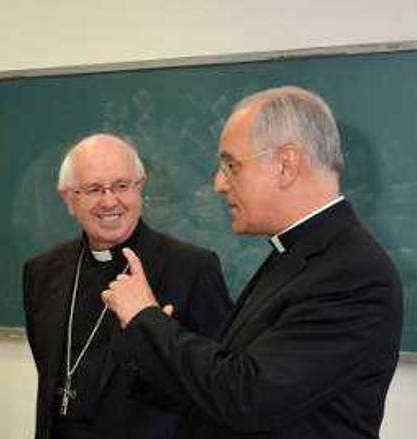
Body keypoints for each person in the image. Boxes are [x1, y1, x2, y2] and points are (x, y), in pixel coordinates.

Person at [101, 86, 403, 438]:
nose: (218, 184)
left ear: (286, 164)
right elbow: (227, 379)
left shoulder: (352, 273)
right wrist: (146, 336)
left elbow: (247, 398)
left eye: (231, 165)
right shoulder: (295, 252)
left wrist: (147, 320)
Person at [23, 134, 232, 439]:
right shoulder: (42, 272)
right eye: (94, 189)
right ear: (69, 198)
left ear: (140, 187)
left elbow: (216, 383)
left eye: (122, 186)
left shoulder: (192, 269)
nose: (110, 202)